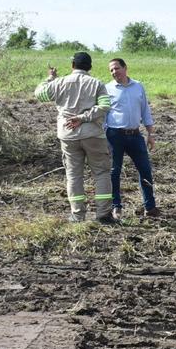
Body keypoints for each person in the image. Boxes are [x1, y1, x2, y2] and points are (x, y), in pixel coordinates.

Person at [34, 52, 115, 223]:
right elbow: (105, 106)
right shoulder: (97, 84)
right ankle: (103, 214)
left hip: (68, 135)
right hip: (93, 135)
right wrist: (83, 117)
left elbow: (40, 94)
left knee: (73, 175)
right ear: (90, 67)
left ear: (72, 65)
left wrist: (50, 78)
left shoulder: (59, 83)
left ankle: (77, 215)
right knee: (101, 173)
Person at [105, 57, 159, 220]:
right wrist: (103, 136)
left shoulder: (138, 86)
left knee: (145, 170)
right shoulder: (107, 88)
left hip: (135, 135)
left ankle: (150, 207)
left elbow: (145, 111)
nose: (114, 72)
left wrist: (150, 134)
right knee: (114, 172)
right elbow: (103, 114)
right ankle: (116, 207)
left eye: (116, 68)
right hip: (114, 135)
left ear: (125, 68)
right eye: (111, 70)